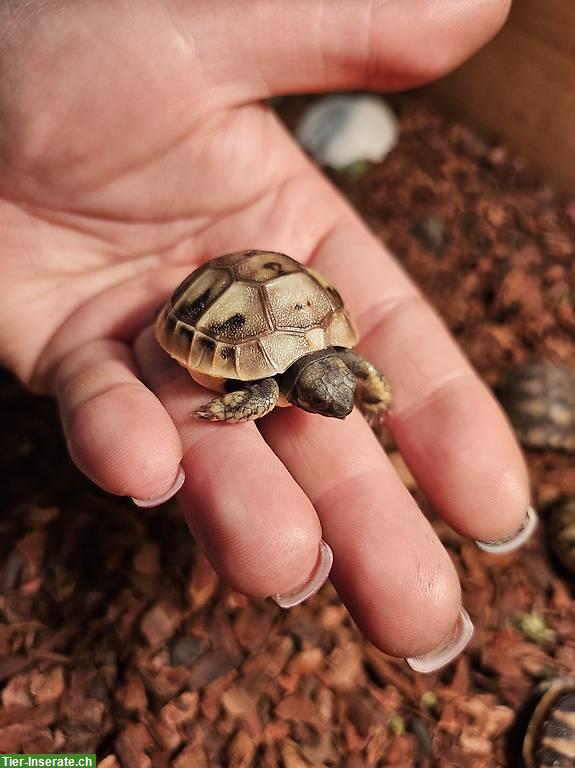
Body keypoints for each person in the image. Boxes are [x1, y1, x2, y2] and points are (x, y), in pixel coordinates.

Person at [0, 0, 533, 673]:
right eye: (321, 399)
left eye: (331, 394)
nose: (331, 406)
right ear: (296, 391)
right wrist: (231, 404)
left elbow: (357, 372)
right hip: (215, 299)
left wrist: (372, 389)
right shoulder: (262, 383)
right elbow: (260, 388)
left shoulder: (336, 365)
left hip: (277, 297)